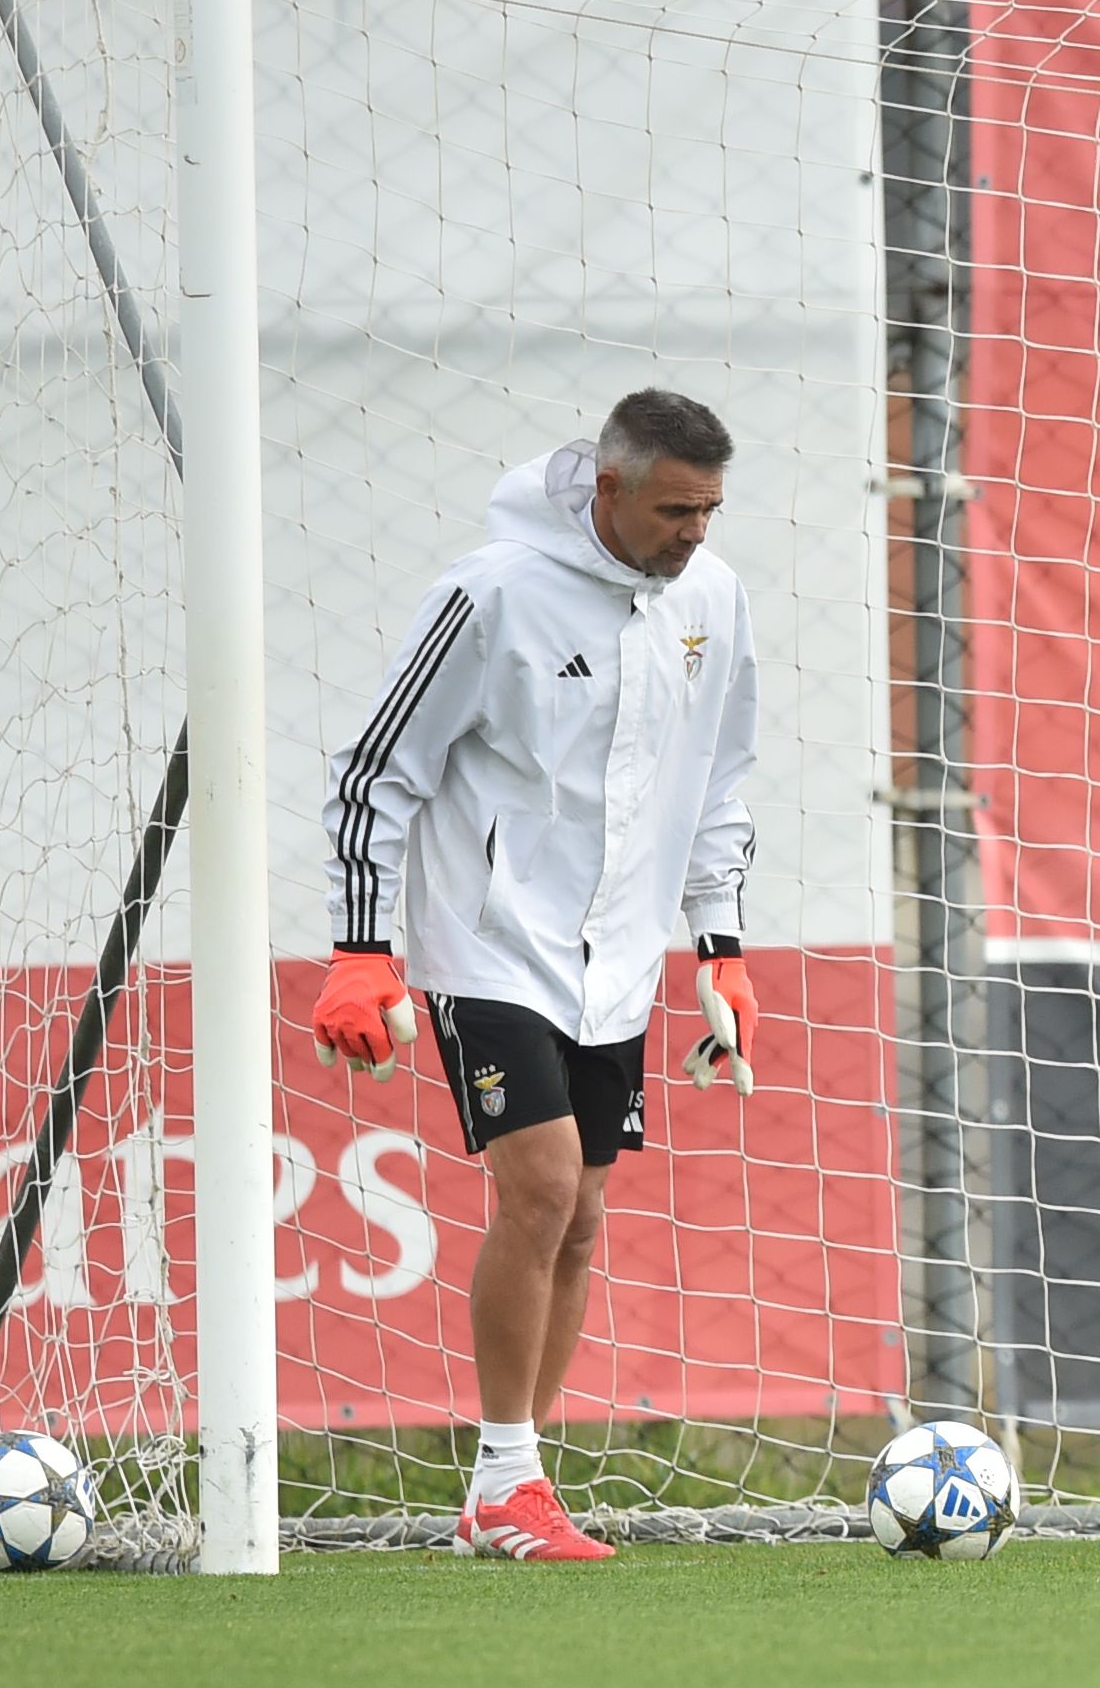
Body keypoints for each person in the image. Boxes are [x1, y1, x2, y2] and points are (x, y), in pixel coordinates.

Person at [309, 392, 764, 1561]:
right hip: (486, 941)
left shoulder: (711, 600)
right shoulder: (491, 592)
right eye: (673, 509)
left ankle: (512, 1485)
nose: (694, 534)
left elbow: (720, 781)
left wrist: (721, 945)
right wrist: (364, 950)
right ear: (605, 488)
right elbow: (377, 773)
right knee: (544, 1189)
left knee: (582, 1217)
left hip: (619, 961)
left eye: (709, 509)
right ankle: (505, 1481)